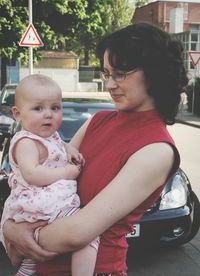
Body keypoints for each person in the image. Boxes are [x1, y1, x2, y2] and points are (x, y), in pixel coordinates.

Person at [2, 23, 188, 276]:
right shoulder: (97, 121)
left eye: (120, 73)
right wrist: (9, 228)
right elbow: (39, 180)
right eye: (106, 73)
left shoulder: (156, 149)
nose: (110, 84)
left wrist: (19, 233)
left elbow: (78, 232)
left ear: (154, 73)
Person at [0, 74, 99, 276]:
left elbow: (58, 145)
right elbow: (32, 175)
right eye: (38, 108)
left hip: (48, 204)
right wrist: (66, 173)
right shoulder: (26, 143)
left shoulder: (48, 135)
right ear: (18, 114)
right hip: (41, 204)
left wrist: (69, 148)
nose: (48, 115)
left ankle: (25, 269)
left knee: (32, 255)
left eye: (55, 108)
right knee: (88, 235)